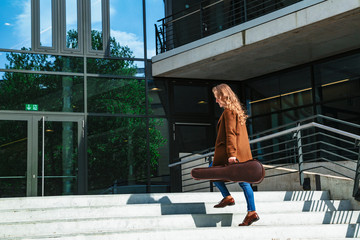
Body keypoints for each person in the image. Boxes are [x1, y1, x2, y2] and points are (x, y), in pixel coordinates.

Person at [210, 83, 259, 226]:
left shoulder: (229, 112)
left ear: (222, 96)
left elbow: (231, 134)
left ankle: (231, 199)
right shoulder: (236, 111)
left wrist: (232, 154)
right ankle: (250, 211)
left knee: (213, 171)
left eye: (217, 97)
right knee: (243, 182)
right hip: (241, 153)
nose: (216, 101)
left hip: (233, 154)